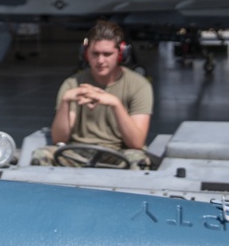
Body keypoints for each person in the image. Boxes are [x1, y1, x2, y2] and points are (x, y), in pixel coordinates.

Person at [31, 20, 153, 169]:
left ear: (121, 54)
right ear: (86, 54)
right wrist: (65, 102)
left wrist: (115, 104)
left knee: (138, 162)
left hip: (119, 154)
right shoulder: (72, 84)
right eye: (95, 54)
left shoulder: (139, 85)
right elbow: (59, 139)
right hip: (75, 152)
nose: (100, 60)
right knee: (40, 156)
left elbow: (136, 142)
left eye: (107, 54)